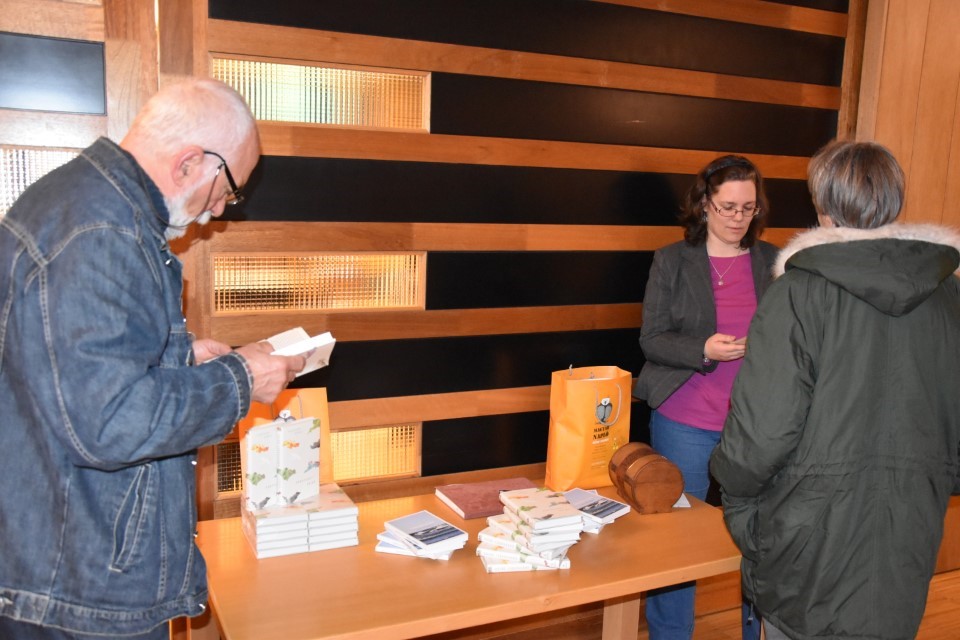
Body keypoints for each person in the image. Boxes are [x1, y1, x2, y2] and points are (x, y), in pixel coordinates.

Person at [0, 78, 306, 639]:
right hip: (78, 587)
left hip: (62, 560)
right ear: (189, 162)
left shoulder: (83, 206)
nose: (219, 211)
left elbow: (61, 369)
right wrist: (240, 379)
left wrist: (177, 356)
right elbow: (109, 422)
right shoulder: (101, 232)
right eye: (227, 189)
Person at [710, 140, 960, 640]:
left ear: (823, 207)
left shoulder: (798, 292)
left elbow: (762, 434)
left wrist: (734, 495)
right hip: (907, 524)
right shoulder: (948, 295)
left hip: (808, 533)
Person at [633, 155, 778, 640]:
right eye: (727, 207)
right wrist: (703, 349)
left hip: (756, 424)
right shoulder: (672, 260)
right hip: (685, 419)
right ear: (703, 204)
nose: (738, 218)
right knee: (677, 543)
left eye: (748, 208)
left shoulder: (775, 262)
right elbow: (652, 339)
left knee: (759, 539)